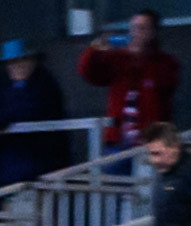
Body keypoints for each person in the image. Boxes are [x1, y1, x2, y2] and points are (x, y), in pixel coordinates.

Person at [77, 8, 181, 152]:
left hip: (149, 141)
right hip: (117, 140)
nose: (136, 33)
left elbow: (165, 87)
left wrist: (141, 57)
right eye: (133, 28)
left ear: (153, 32)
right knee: (111, 166)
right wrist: (96, 49)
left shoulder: (165, 63)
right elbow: (88, 72)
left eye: (142, 28)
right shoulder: (119, 59)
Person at [0, 40, 68, 187]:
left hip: (42, 167)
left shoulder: (45, 83)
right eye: (11, 62)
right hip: (8, 169)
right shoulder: (2, 85)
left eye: (23, 60)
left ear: (34, 61)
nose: (17, 66)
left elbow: (30, 110)